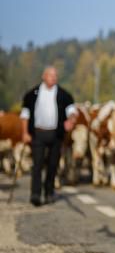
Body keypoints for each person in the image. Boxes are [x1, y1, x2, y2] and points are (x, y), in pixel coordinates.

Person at [20, 67, 76, 206]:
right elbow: (25, 114)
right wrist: (25, 133)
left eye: (55, 75)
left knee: (53, 164)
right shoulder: (33, 93)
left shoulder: (63, 94)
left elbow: (72, 111)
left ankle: (49, 192)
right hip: (38, 133)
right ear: (43, 76)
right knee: (37, 164)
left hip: (56, 134)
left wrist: (71, 120)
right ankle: (35, 194)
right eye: (50, 75)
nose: (53, 77)